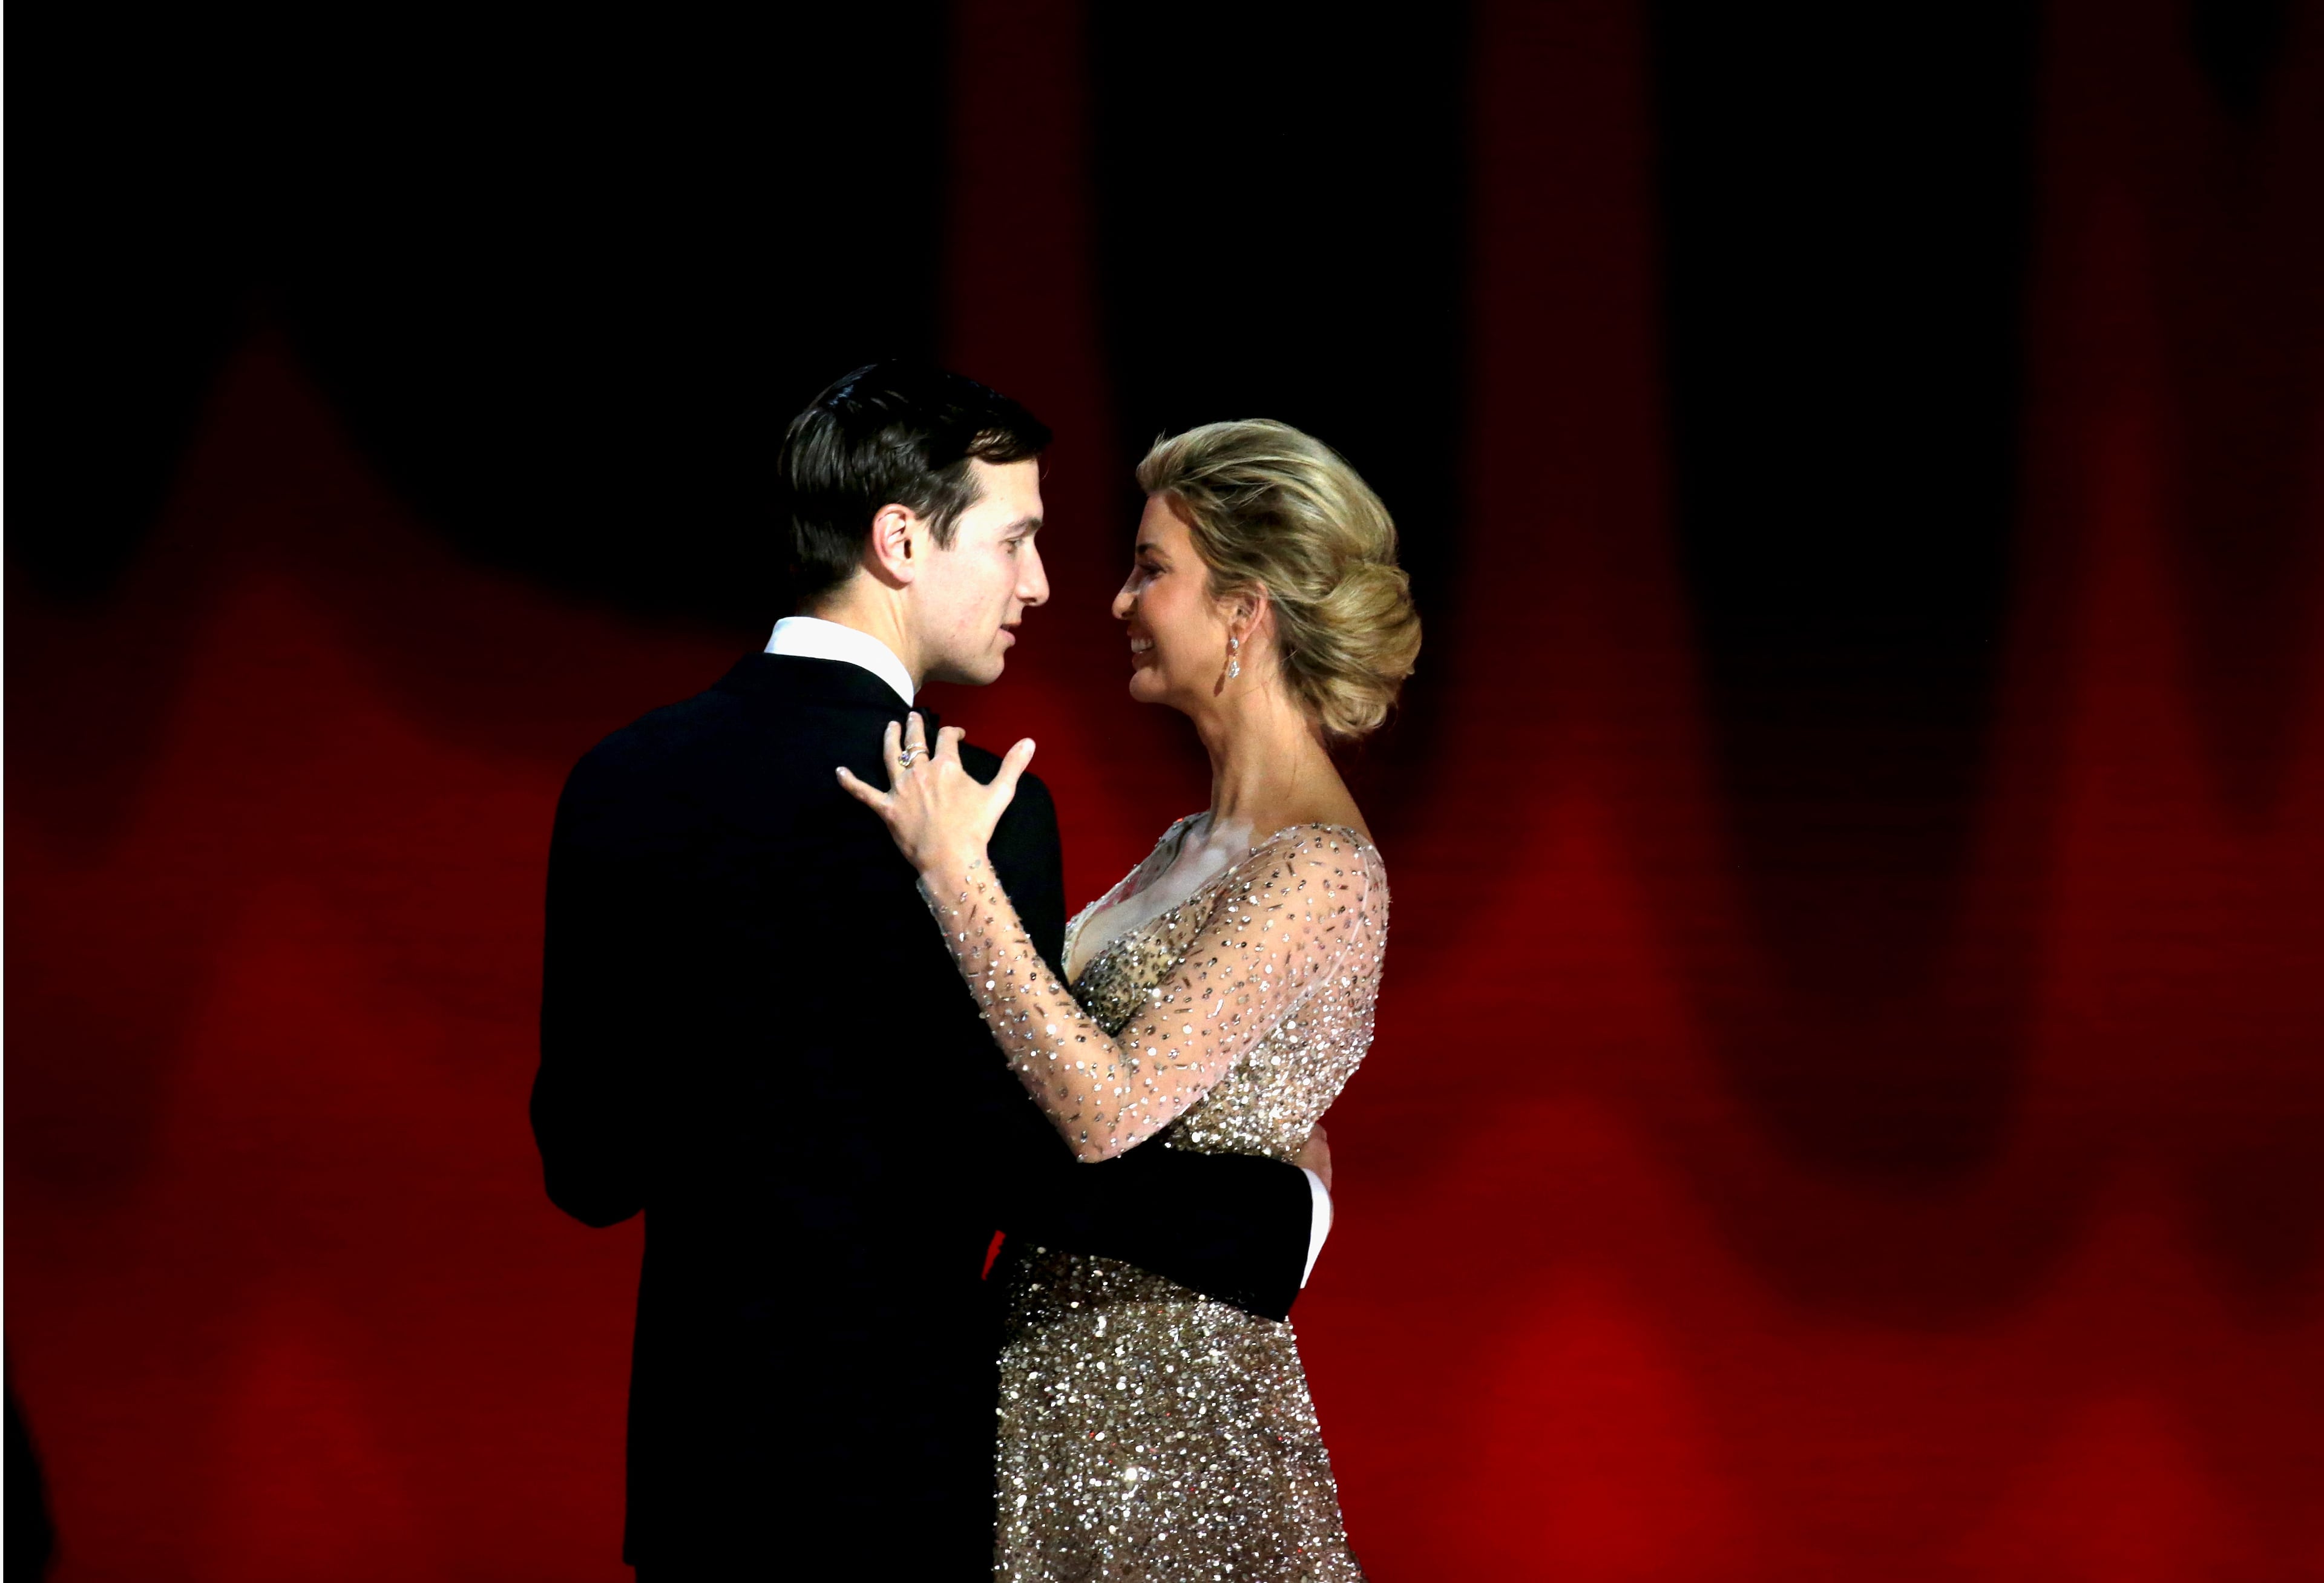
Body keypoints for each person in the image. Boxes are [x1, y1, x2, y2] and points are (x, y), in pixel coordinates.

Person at [530, 367, 1330, 1577]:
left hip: (703, 1471)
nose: (1040, 584)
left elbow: (588, 1168)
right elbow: (1014, 1158)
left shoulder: (620, 778)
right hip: (900, 1472)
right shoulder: (980, 808)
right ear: (900, 540)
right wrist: (1276, 1224)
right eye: (1014, 540)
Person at [842, 418, 1419, 1580]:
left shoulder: (1320, 868)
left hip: (1162, 1418)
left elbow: (1106, 1109)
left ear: (1245, 610)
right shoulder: (1188, 844)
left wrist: (958, 875)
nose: (1115, 601)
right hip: (1051, 1372)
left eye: (1151, 570)